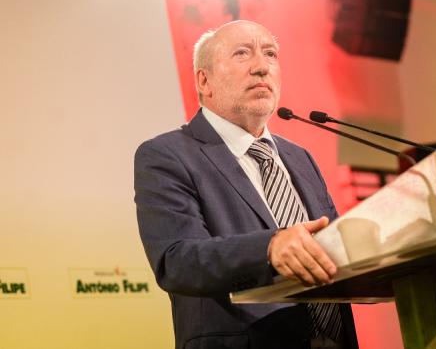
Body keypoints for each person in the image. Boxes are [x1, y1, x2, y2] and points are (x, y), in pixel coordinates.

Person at [134, 20, 357, 349]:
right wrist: (268, 248)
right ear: (204, 81)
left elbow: (337, 248)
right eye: (242, 53)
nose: (262, 67)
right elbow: (177, 261)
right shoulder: (167, 155)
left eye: (270, 54)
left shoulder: (300, 158)